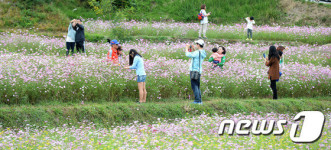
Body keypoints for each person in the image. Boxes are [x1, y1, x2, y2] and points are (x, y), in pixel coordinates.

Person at [185, 39, 207, 104]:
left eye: (196, 44)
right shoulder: (203, 52)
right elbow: (197, 55)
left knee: (194, 85)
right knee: (197, 85)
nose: (196, 45)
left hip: (194, 70)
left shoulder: (197, 52)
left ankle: (197, 100)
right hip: (199, 70)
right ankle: (199, 100)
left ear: (198, 45)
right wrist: (194, 49)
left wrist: (186, 48)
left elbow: (188, 55)